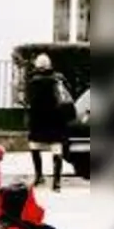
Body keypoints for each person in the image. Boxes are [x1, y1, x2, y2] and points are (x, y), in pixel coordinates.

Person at [25, 53, 73, 191]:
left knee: (34, 147)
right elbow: (67, 97)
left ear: (37, 66)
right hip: (56, 121)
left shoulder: (33, 81)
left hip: (38, 121)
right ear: (50, 65)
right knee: (57, 150)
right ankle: (56, 183)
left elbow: (30, 103)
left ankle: (39, 176)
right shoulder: (59, 79)